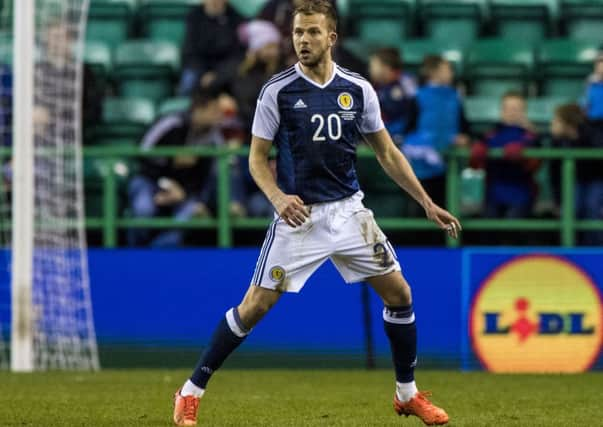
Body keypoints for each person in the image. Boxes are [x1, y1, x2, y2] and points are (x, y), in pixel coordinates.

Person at [172, 1, 460, 426]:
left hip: (349, 213)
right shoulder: (279, 91)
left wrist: (426, 202)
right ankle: (190, 391)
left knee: (400, 294)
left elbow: (386, 152)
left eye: (311, 32)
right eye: (297, 33)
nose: (302, 40)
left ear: (331, 38)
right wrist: (277, 198)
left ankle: (407, 394)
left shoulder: (358, 89)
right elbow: (255, 160)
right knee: (254, 306)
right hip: (300, 218)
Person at [128, 90, 246, 247]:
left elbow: (214, 172)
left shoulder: (214, 136)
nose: (218, 117)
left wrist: (187, 194)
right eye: (213, 111)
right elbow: (141, 154)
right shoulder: (170, 123)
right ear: (198, 109)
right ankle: (133, 254)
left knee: (192, 214)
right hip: (150, 180)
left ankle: (156, 252)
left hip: (184, 192)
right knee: (144, 210)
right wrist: (165, 181)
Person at [402, 55, 470, 208]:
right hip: (422, 163)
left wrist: (463, 138)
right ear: (433, 72)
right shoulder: (419, 96)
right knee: (421, 206)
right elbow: (409, 129)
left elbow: (464, 126)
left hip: (449, 161)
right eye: (447, 70)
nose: (451, 73)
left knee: (445, 204)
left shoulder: (455, 96)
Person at [470, 91, 540, 219]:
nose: (512, 112)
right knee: (489, 228)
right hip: (493, 192)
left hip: (521, 192)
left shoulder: (531, 137)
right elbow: (475, 163)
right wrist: (478, 150)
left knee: (514, 228)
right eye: (508, 108)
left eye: (517, 109)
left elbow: (536, 163)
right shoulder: (490, 135)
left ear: (524, 111)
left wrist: (524, 154)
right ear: (502, 111)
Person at [550, 103, 603, 245]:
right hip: (574, 182)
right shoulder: (557, 142)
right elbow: (555, 175)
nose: (552, 123)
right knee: (571, 209)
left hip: (596, 180)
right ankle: (571, 250)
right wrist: (557, 200)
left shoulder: (593, 134)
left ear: (567, 123)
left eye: (556, 120)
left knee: (592, 208)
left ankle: (595, 251)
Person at [178, 0, 245, 95]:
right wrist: (203, 74)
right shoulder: (193, 17)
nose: (214, 2)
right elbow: (189, 50)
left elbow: (237, 55)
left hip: (225, 69)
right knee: (189, 82)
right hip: (198, 66)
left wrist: (218, 75)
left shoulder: (236, 20)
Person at [368, 47, 417, 146]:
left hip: (403, 138)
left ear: (386, 68)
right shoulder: (375, 86)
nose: (370, 69)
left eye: (373, 66)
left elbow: (411, 113)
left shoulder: (405, 82)